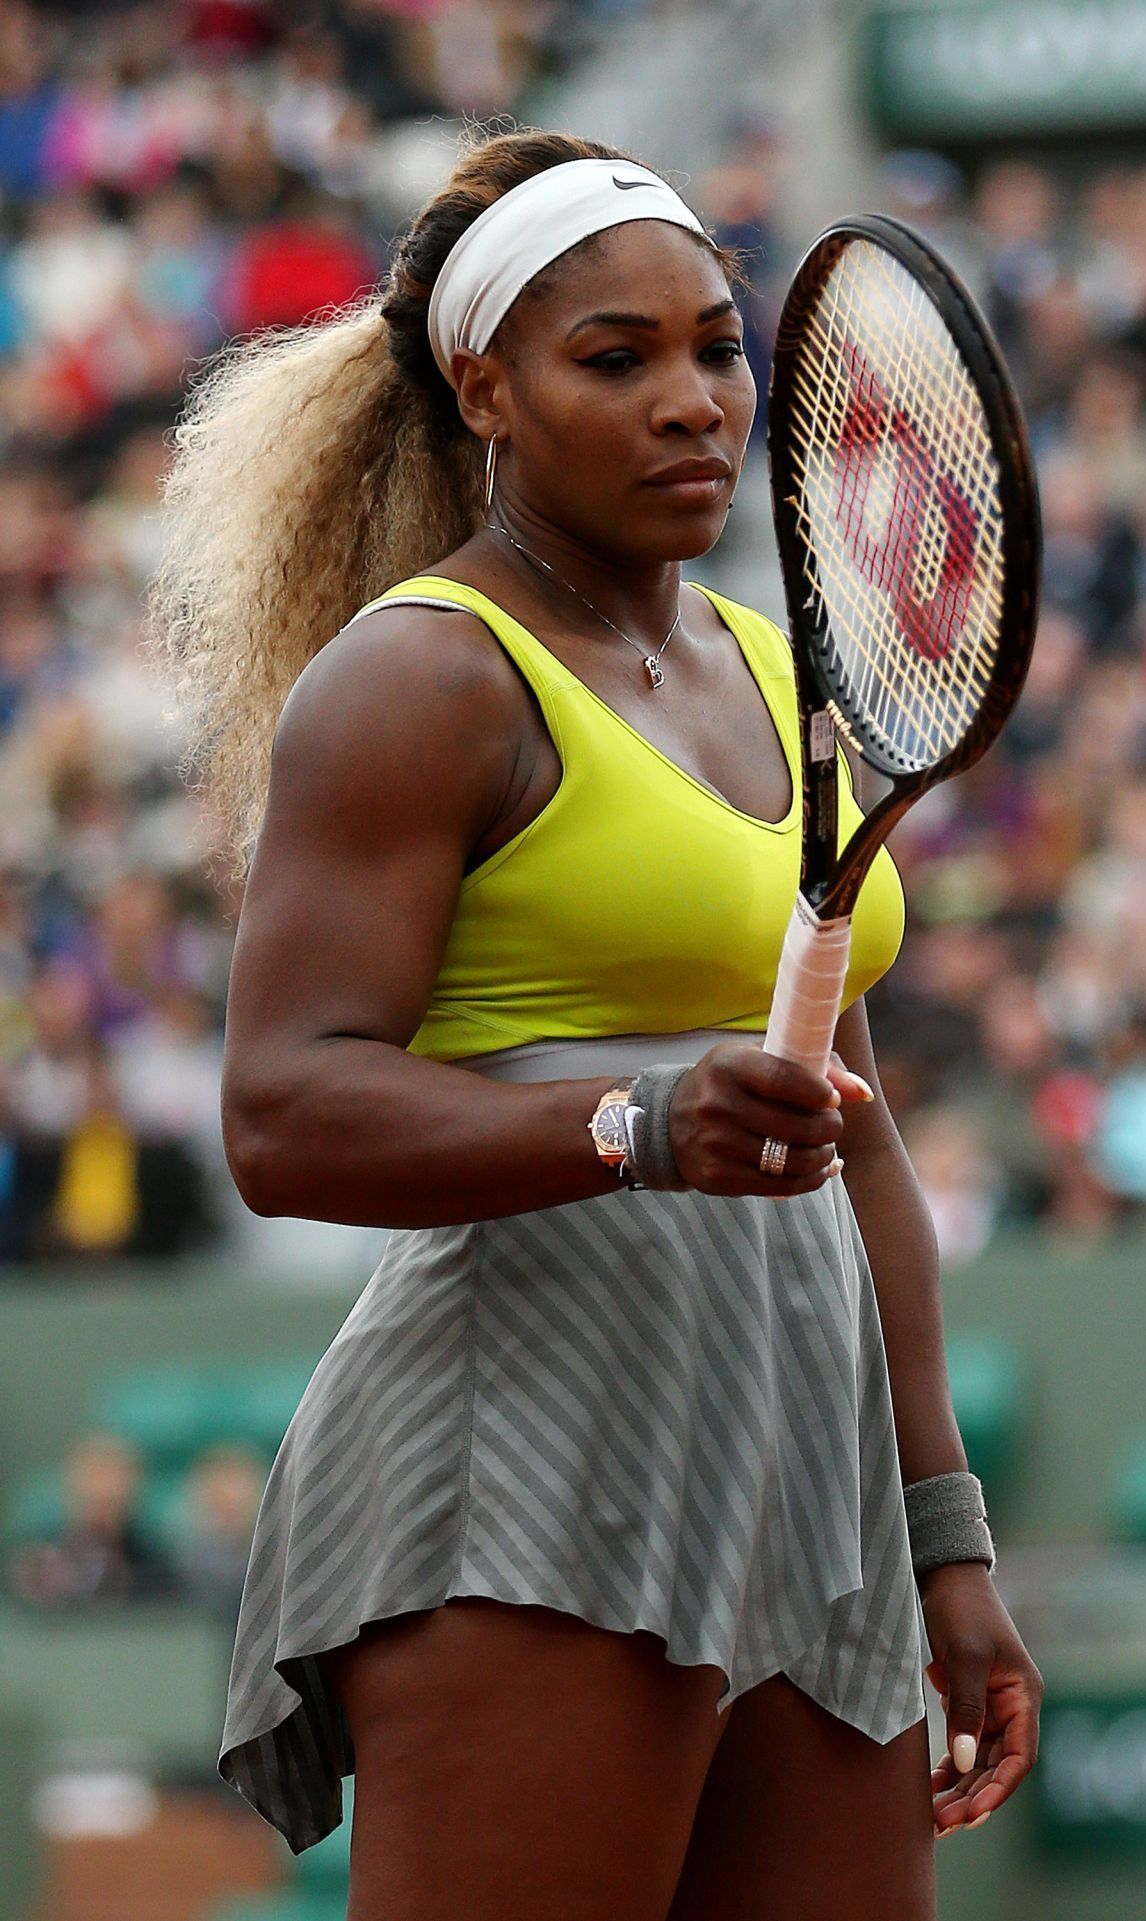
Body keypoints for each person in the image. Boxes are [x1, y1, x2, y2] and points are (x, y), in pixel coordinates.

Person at [144, 126, 1042, 1921]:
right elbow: (283, 1114)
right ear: (487, 389)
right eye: (615, 360)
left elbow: (855, 1131)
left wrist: (943, 1531)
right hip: (532, 1463)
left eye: (715, 348)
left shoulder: (787, 672)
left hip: (810, 1476)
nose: (694, 400)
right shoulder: (419, 674)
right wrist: (638, 1123)